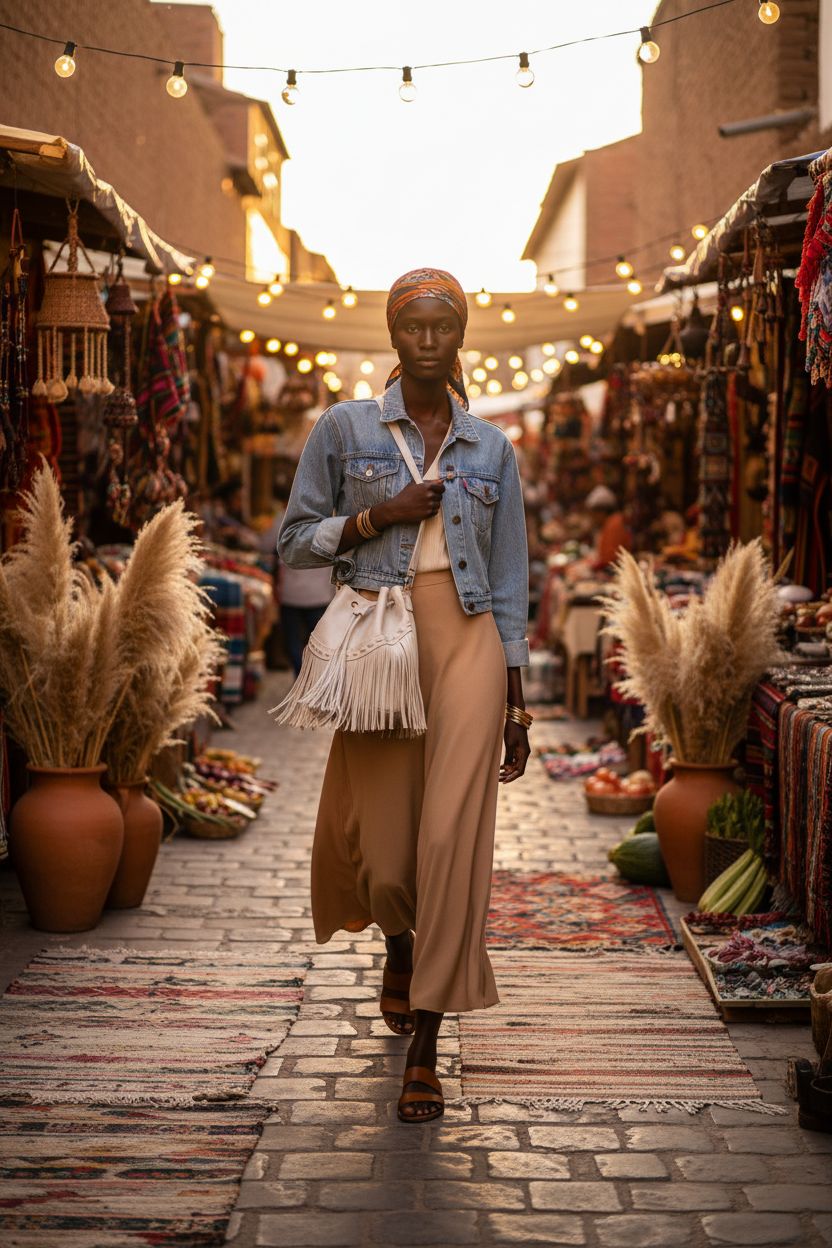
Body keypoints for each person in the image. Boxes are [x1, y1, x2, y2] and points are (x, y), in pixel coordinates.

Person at [278, 268, 531, 1124]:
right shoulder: (343, 428)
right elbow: (295, 543)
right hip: (379, 640)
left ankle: (426, 1047)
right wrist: (378, 516)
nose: (428, 341)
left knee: (452, 840)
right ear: (393, 334)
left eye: (443, 327)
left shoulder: (491, 448)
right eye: (413, 327)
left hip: (467, 642)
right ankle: (398, 944)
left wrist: (518, 699)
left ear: (461, 336)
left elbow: (508, 578)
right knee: (387, 859)